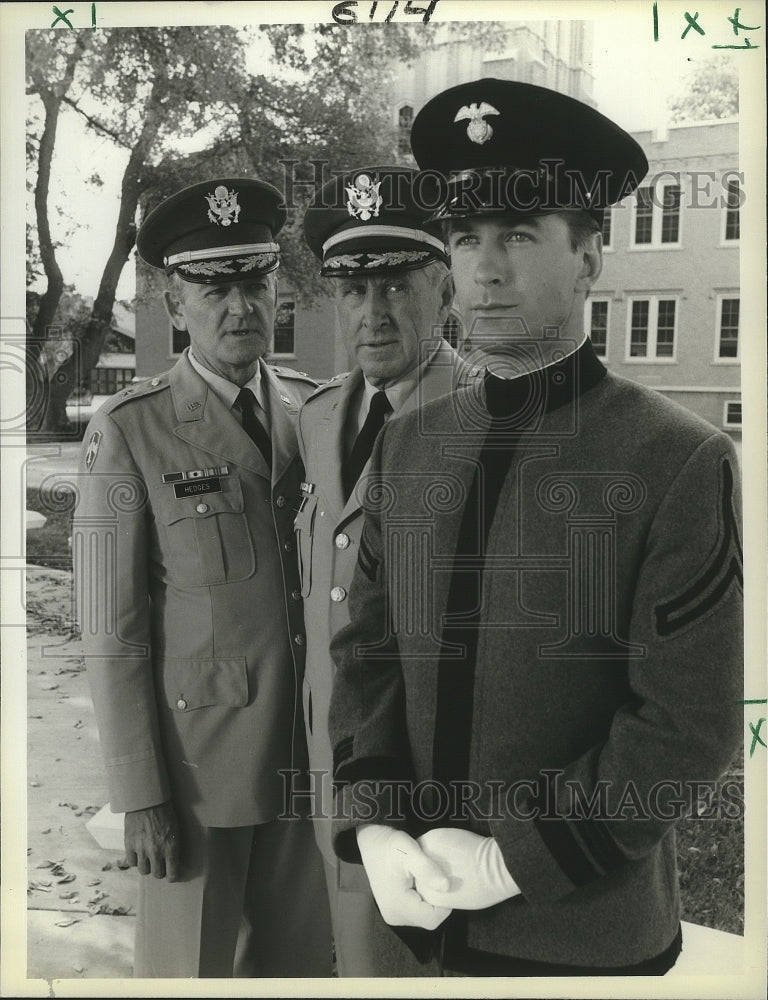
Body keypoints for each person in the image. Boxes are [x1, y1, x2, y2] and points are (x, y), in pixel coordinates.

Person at [327, 79, 744, 977]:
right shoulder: (408, 445)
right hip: (423, 915)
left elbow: (688, 724)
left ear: (590, 255)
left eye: (519, 235)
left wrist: (522, 857)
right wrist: (374, 819)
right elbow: (366, 655)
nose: (486, 270)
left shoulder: (675, 459)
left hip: (582, 931)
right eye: (466, 239)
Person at [72, 177, 332, 978]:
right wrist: (139, 793)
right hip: (196, 778)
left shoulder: (317, 416)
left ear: (276, 287)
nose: (239, 306)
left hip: (304, 766)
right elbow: (111, 633)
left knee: (290, 974)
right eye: (214, 288)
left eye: (253, 283)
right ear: (175, 302)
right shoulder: (132, 431)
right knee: (189, 975)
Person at [297, 166, 476, 975]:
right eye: (352, 289)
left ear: (442, 290)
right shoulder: (319, 415)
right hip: (327, 760)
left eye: (397, 285)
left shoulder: (487, 416)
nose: (372, 313)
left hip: (427, 772)